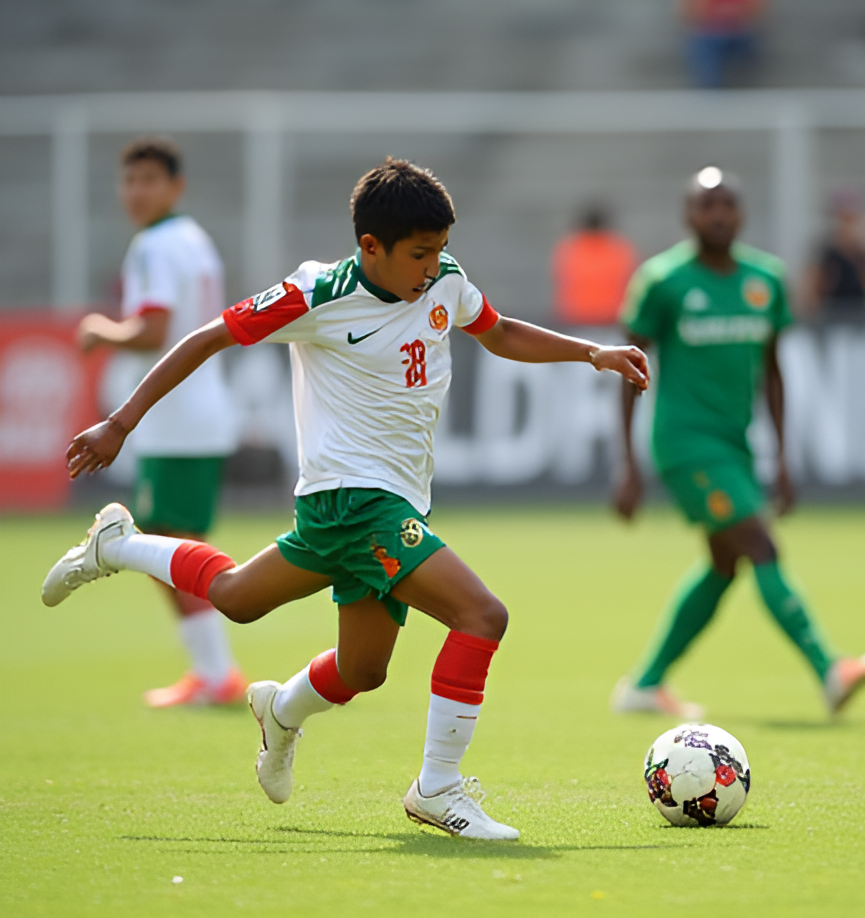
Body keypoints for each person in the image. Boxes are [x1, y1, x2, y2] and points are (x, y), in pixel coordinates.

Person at [43, 158, 650, 841]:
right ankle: (437, 789)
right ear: (371, 248)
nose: (433, 266)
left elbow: (499, 331)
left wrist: (591, 354)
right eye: (419, 253)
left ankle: (163, 591)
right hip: (353, 499)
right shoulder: (317, 295)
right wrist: (121, 422)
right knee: (481, 616)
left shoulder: (445, 279)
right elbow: (208, 337)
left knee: (333, 651)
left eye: (440, 249)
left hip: (392, 504)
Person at [610, 166, 865, 719]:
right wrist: (628, 463)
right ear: (688, 216)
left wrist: (781, 456)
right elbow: (630, 369)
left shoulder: (766, 280)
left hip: (736, 445)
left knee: (723, 564)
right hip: (685, 443)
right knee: (761, 545)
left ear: (742, 212)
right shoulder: (663, 281)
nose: (718, 214)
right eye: (707, 205)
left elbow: (774, 371)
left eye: (727, 204)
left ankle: (644, 684)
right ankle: (829, 669)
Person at [76, 137, 244, 708]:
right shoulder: (194, 240)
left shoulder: (153, 245)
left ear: (176, 185)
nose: (137, 191)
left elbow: (151, 331)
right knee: (168, 543)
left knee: (168, 546)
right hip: (193, 411)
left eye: (150, 179)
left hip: (176, 414)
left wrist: (102, 329)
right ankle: (212, 671)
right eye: (130, 180)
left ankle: (218, 672)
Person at [679, 0, 767, 89]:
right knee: (702, 45)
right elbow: (691, 13)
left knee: (751, 44)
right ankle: (710, 90)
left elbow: (757, 8)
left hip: (740, 32)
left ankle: (746, 89)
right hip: (709, 33)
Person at [802, 188, 865, 318]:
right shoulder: (824, 254)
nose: (848, 226)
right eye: (843, 219)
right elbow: (811, 297)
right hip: (829, 323)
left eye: (852, 219)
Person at [551, 205, 637, 326]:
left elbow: (560, 277)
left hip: (577, 315)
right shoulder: (619, 248)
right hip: (610, 315)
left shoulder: (569, 248)